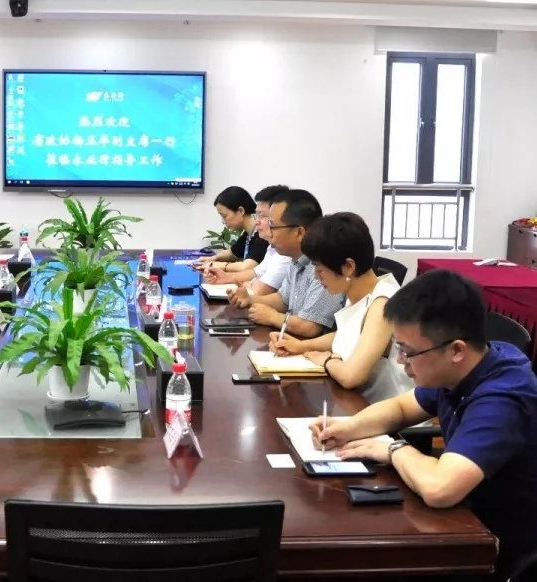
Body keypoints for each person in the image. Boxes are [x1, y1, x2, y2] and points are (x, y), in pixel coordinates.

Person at [311, 270, 537, 580]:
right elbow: (402, 408)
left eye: (408, 352)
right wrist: (349, 427)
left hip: (493, 546)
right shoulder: (466, 365)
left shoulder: (502, 398)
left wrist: (393, 449)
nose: (401, 361)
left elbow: (440, 489)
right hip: (461, 517)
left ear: (456, 350)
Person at [268, 213, 412, 403]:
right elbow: (348, 333)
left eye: (320, 269)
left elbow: (352, 376)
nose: (317, 277)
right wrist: (301, 346)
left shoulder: (382, 303)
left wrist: (327, 360)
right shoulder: (359, 291)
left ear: (348, 267)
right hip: (357, 403)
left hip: (383, 412)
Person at [229, 189, 344, 337]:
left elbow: (310, 327)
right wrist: (250, 299)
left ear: (299, 233)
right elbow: (283, 300)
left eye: (273, 226)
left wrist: (272, 317)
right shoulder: (296, 259)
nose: (268, 232)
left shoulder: (324, 265)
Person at [203, 184, 291, 296]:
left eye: (262, 216)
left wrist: (221, 266)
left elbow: (259, 289)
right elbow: (256, 272)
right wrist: (225, 277)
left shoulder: (285, 253)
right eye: (257, 215)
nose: (257, 221)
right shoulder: (273, 247)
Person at [194, 186, 269, 273]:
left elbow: (247, 267)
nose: (223, 221)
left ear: (240, 211)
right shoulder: (249, 233)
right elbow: (232, 253)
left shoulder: (261, 235)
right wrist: (212, 258)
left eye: (224, 216)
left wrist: (215, 265)